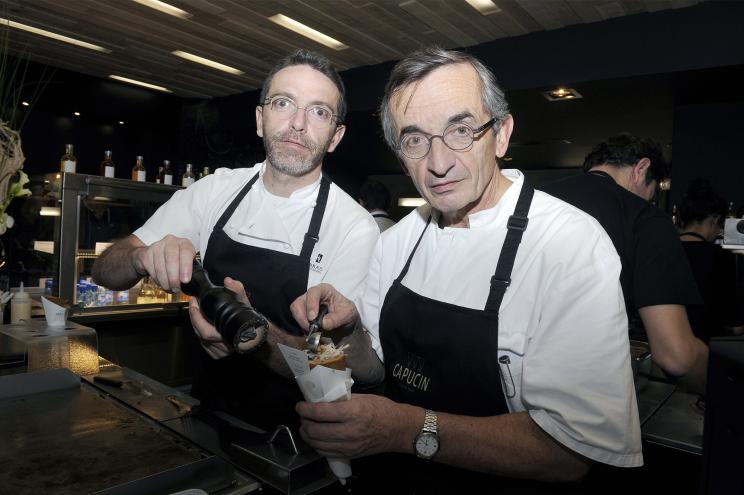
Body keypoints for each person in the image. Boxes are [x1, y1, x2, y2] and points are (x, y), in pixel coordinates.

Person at [289, 48, 640, 490]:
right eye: (415, 140)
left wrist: (402, 429)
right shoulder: (396, 241)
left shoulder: (569, 245)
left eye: (460, 130)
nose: (438, 163)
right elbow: (377, 371)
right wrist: (348, 332)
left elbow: (570, 453)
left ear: (502, 134)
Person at [92, 49, 382, 430]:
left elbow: (334, 372)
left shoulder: (353, 226)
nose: (297, 124)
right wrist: (141, 257)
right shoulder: (214, 191)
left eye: (318, 112)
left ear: (335, 136)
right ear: (261, 119)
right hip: (204, 417)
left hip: (294, 440)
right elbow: (104, 270)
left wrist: (254, 336)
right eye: (283, 103)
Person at [542, 134, 708, 391]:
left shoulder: (532, 199)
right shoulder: (645, 218)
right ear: (641, 170)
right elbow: (677, 356)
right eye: (650, 194)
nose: (648, 201)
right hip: (581, 390)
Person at [678, 178, 744, 341]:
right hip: (706, 351)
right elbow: (735, 327)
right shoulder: (720, 258)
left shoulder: (662, 250)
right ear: (714, 219)